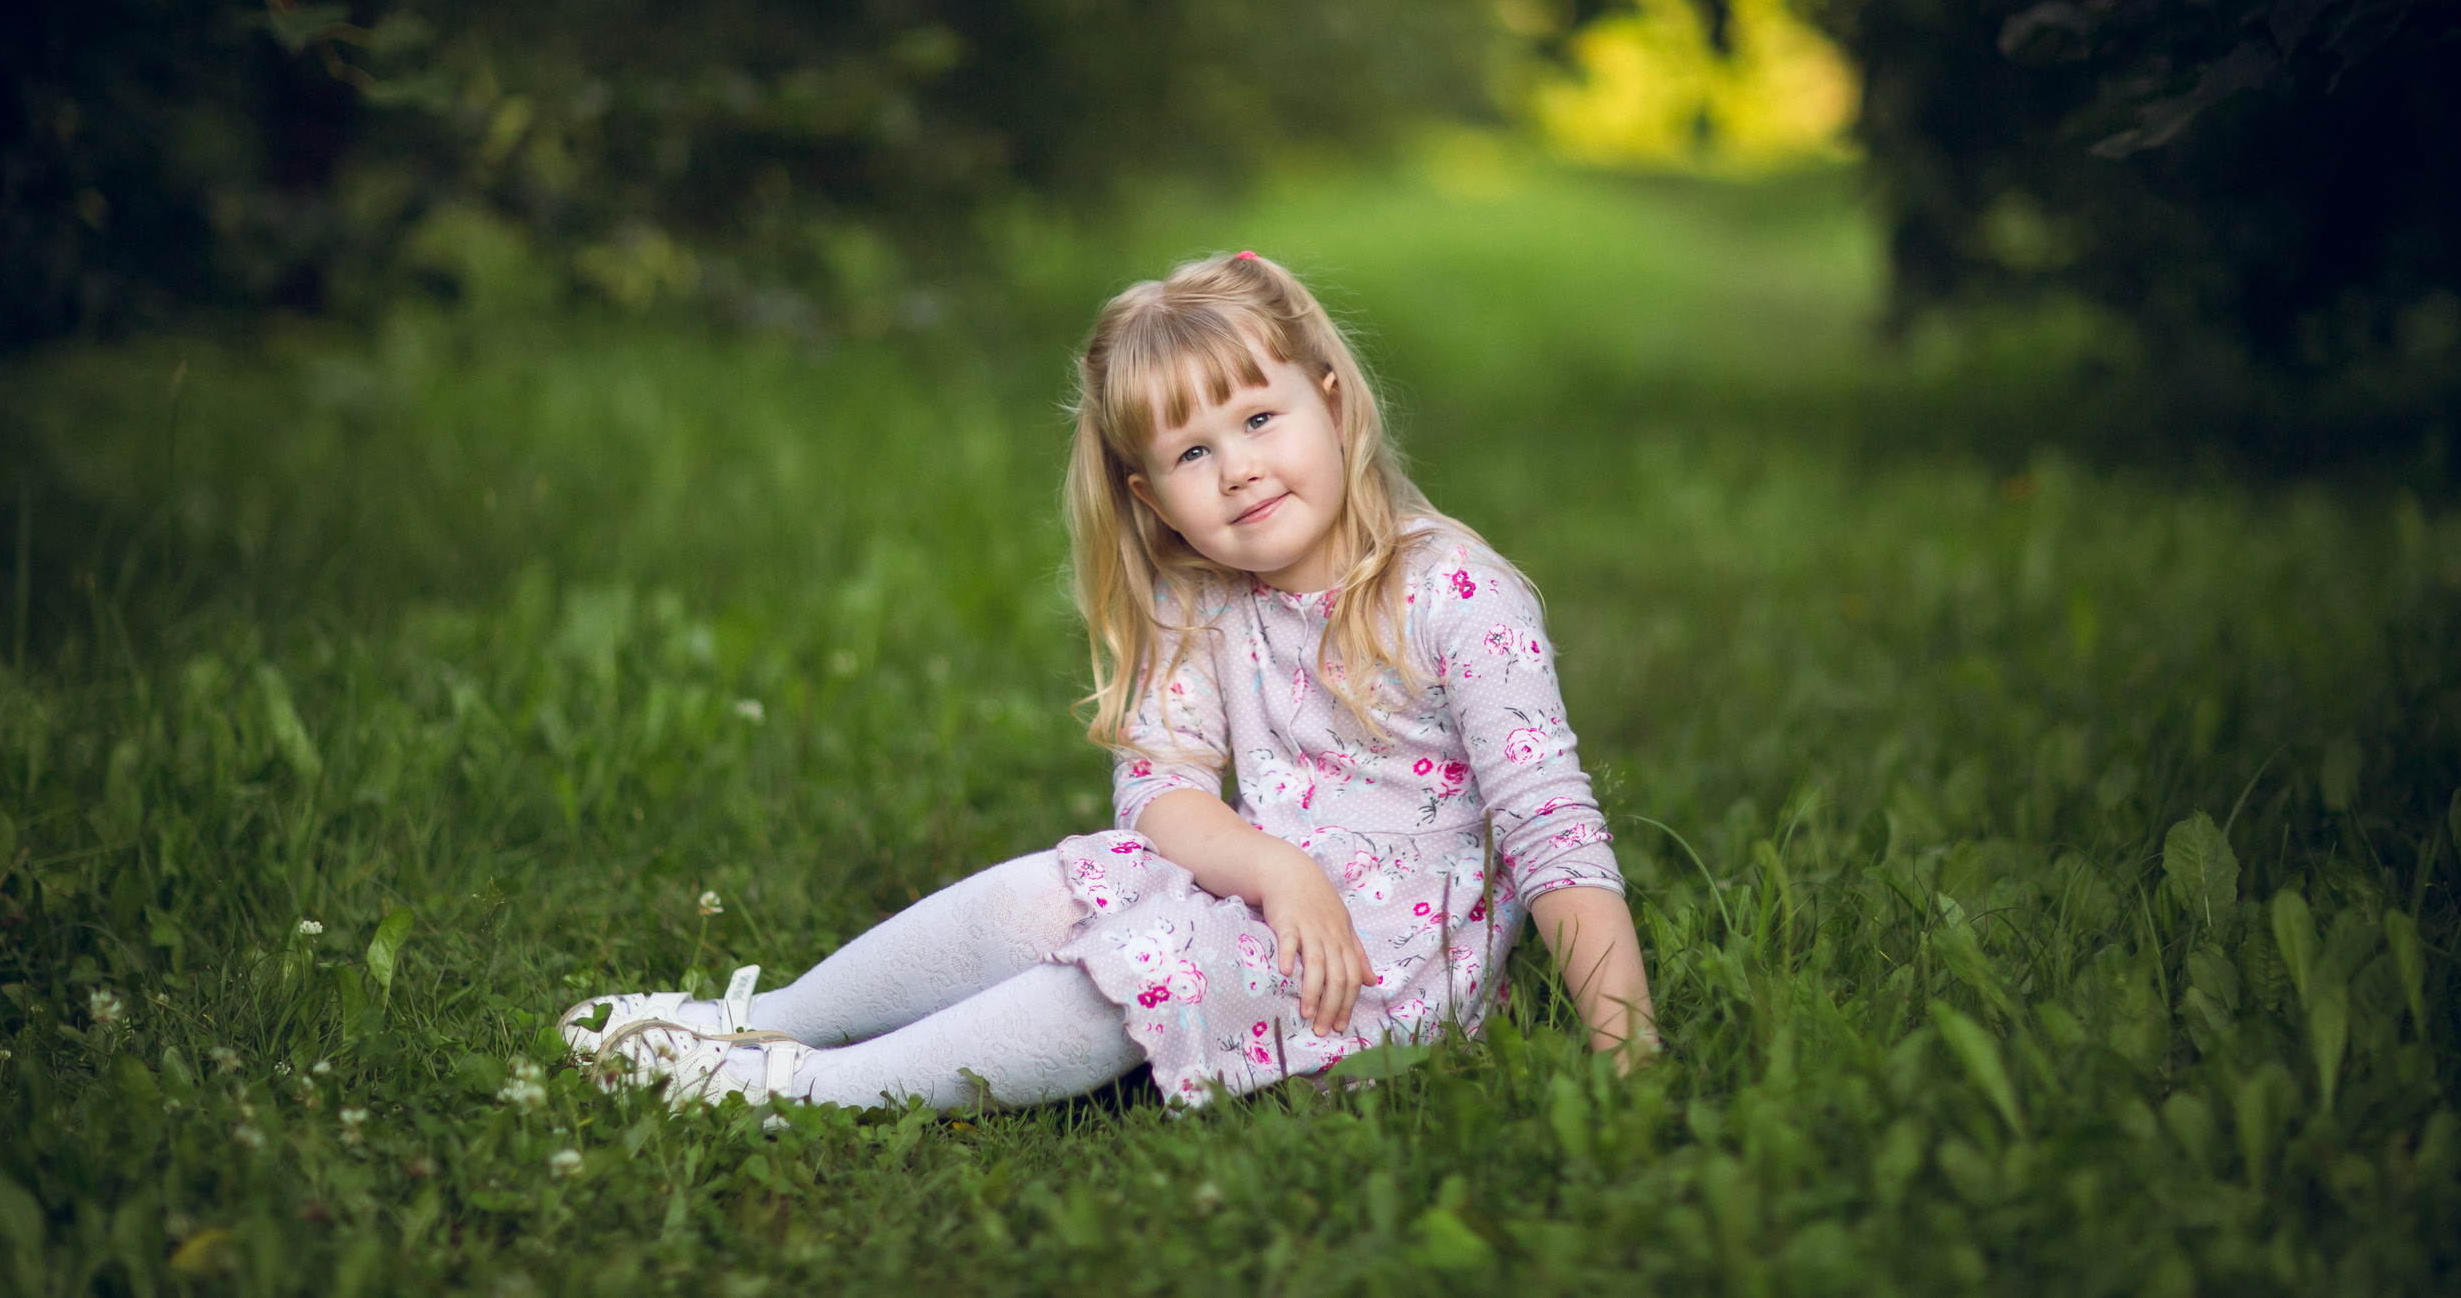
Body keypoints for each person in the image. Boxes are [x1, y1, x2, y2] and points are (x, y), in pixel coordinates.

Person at [562, 251, 1653, 1112]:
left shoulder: (1454, 593)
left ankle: (797, 1089)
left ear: (1332, 398)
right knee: (1064, 883)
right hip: (1271, 897)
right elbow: (1159, 793)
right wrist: (1273, 869)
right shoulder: (1204, 592)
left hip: (1387, 964)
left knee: (1135, 968)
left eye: (1259, 419)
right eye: (1190, 454)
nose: (1236, 467)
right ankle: (769, 1019)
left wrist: (1624, 1057)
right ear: (1148, 496)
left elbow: (1553, 830)